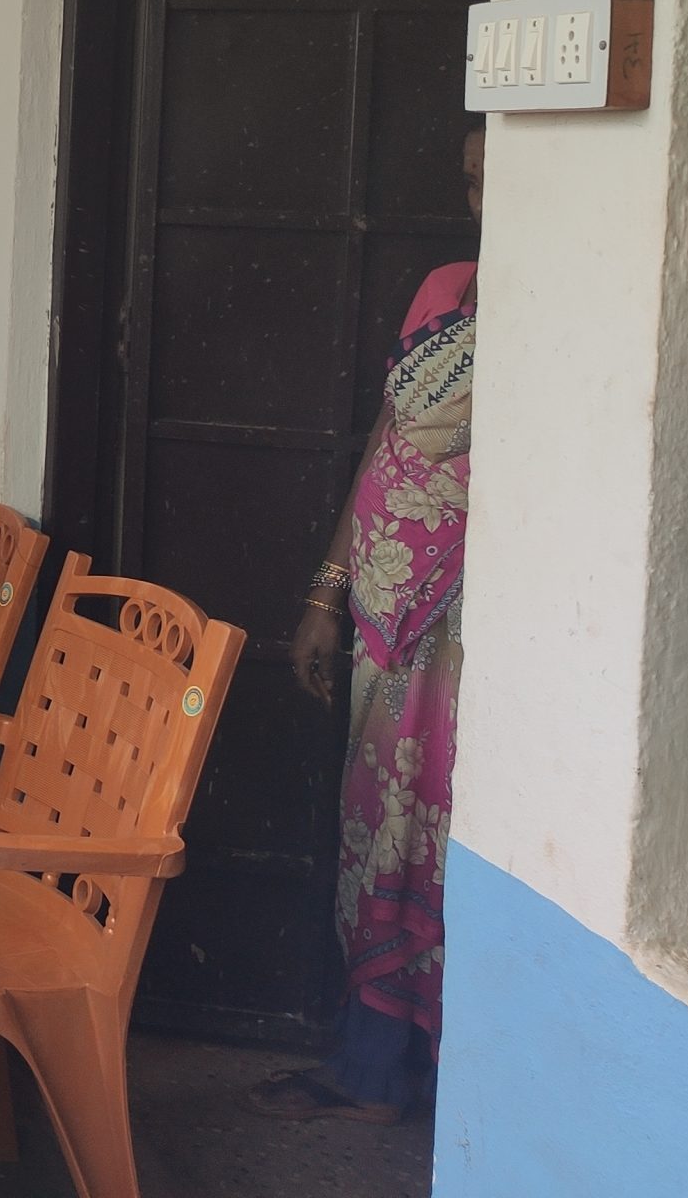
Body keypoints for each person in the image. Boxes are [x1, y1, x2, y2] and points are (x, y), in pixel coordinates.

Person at [252, 124, 483, 1124]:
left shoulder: (578, 310)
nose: (485, 201)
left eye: (504, 181)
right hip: (391, 620)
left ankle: (446, 1084)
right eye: (471, 181)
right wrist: (328, 589)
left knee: (443, 833)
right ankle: (374, 1064)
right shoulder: (447, 291)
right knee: (379, 827)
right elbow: (391, 445)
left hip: (471, 628)